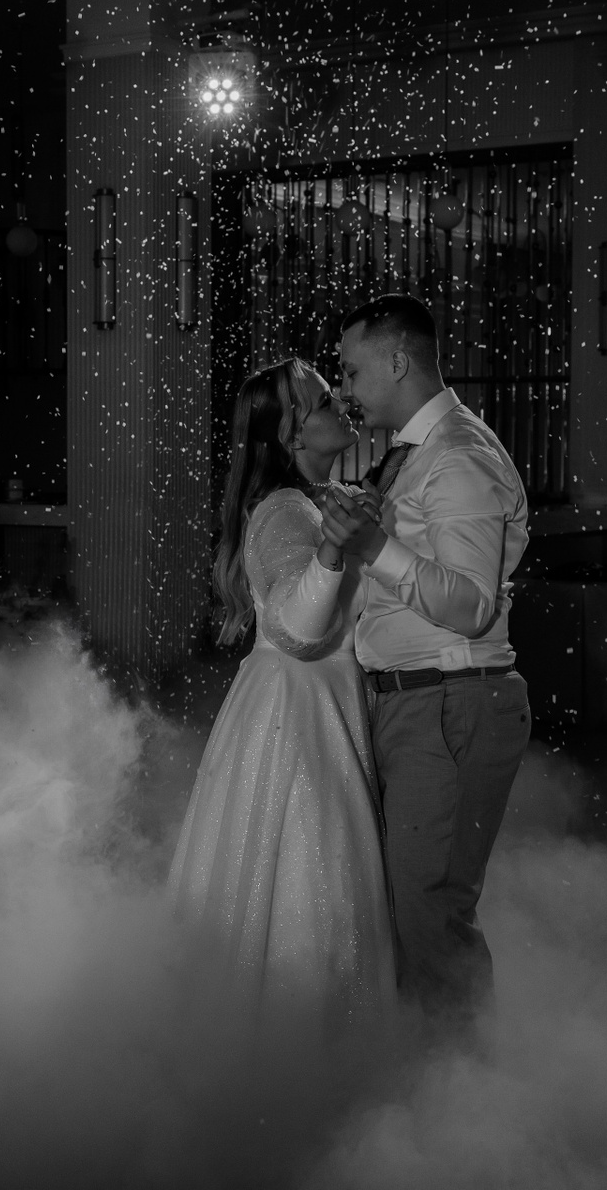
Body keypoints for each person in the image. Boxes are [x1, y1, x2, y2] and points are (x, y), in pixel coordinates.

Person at [319, 294, 531, 1018]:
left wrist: (374, 545)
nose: (345, 388)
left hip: (449, 703)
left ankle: (458, 1082)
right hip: (419, 701)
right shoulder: (420, 455)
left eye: (351, 371)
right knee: (410, 912)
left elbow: (470, 606)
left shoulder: (460, 457)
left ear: (397, 361)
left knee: (430, 914)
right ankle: (425, 1069)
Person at [167, 357, 394, 1027]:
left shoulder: (315, 501)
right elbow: (298, 629)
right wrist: (332, 551)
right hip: (298, 721)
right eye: (322, 401)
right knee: (314, 886)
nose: (341, 403)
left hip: (308, 704)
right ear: (291, 433)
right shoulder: (283, 511)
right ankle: (302, 1053)